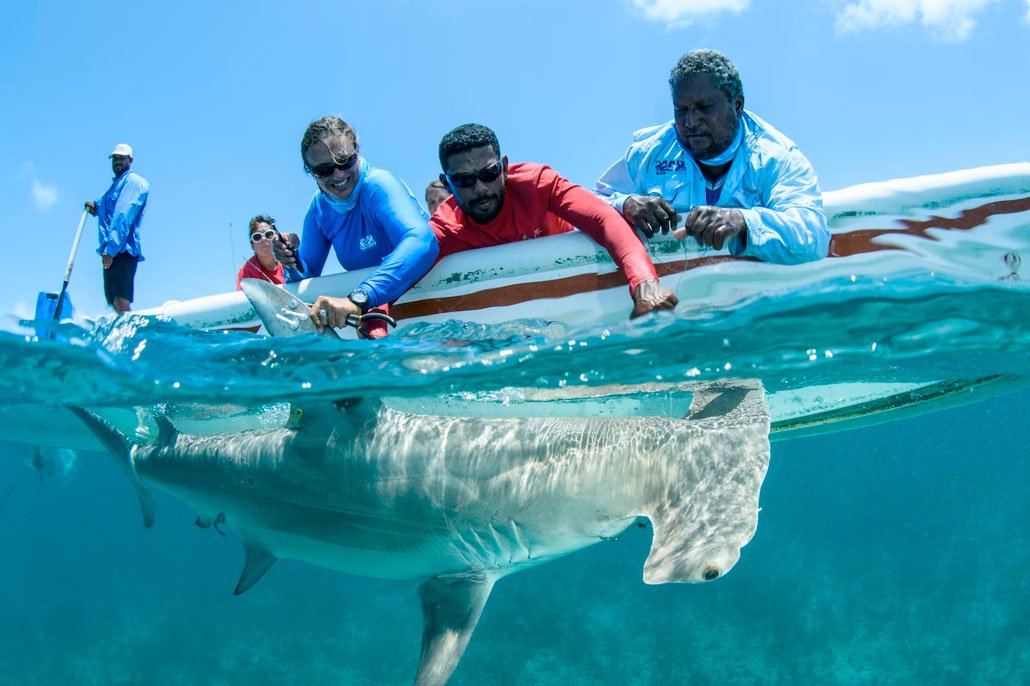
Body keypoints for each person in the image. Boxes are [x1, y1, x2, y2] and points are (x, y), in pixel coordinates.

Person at [595, 49, 830, 265]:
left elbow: (814, 235)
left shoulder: (777, 157)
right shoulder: (647, 153)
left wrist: (743, 221)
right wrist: (623, 204)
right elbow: (594, 201)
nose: (691, 121)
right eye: (681, 109)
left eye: (704, 107)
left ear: (737, 105)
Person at [431, 124, 678, 319]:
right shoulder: (444, 227)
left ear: (504, 167)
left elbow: (605, 219)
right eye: (464, 181)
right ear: (447, 183)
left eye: (489, 173)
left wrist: (644, 284)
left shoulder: (538, 184)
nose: (481, 188)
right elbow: (397, 274)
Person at [274, 116, 439, 337]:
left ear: (357, 151)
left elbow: (423, 241)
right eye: (324, 170)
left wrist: (359, 298)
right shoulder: (319, 207)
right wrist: (291, 261)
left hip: (419, 293)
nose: (339, 175)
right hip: (373, 307)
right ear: (310, 170)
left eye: (346, 161)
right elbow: (305, 280)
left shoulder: (378, 185)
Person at [84, 143, 149, 312]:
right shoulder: (116, 185)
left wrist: (111, 249)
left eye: (121, 158)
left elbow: (123, 215)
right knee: (113, 301)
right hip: (111, 250)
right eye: (115, 158)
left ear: (130, 160)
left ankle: (131, 337)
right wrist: (94, 207)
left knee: (121, 300)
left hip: (122, 250)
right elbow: (105, 205)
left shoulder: (134, 183)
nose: (117, 161)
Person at [237, 214, 285, 289]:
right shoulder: (245, 272)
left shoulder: (288, 263)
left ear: (276, 238)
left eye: (268, 234)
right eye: (257, 237)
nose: (263, 239)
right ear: (252, 246)